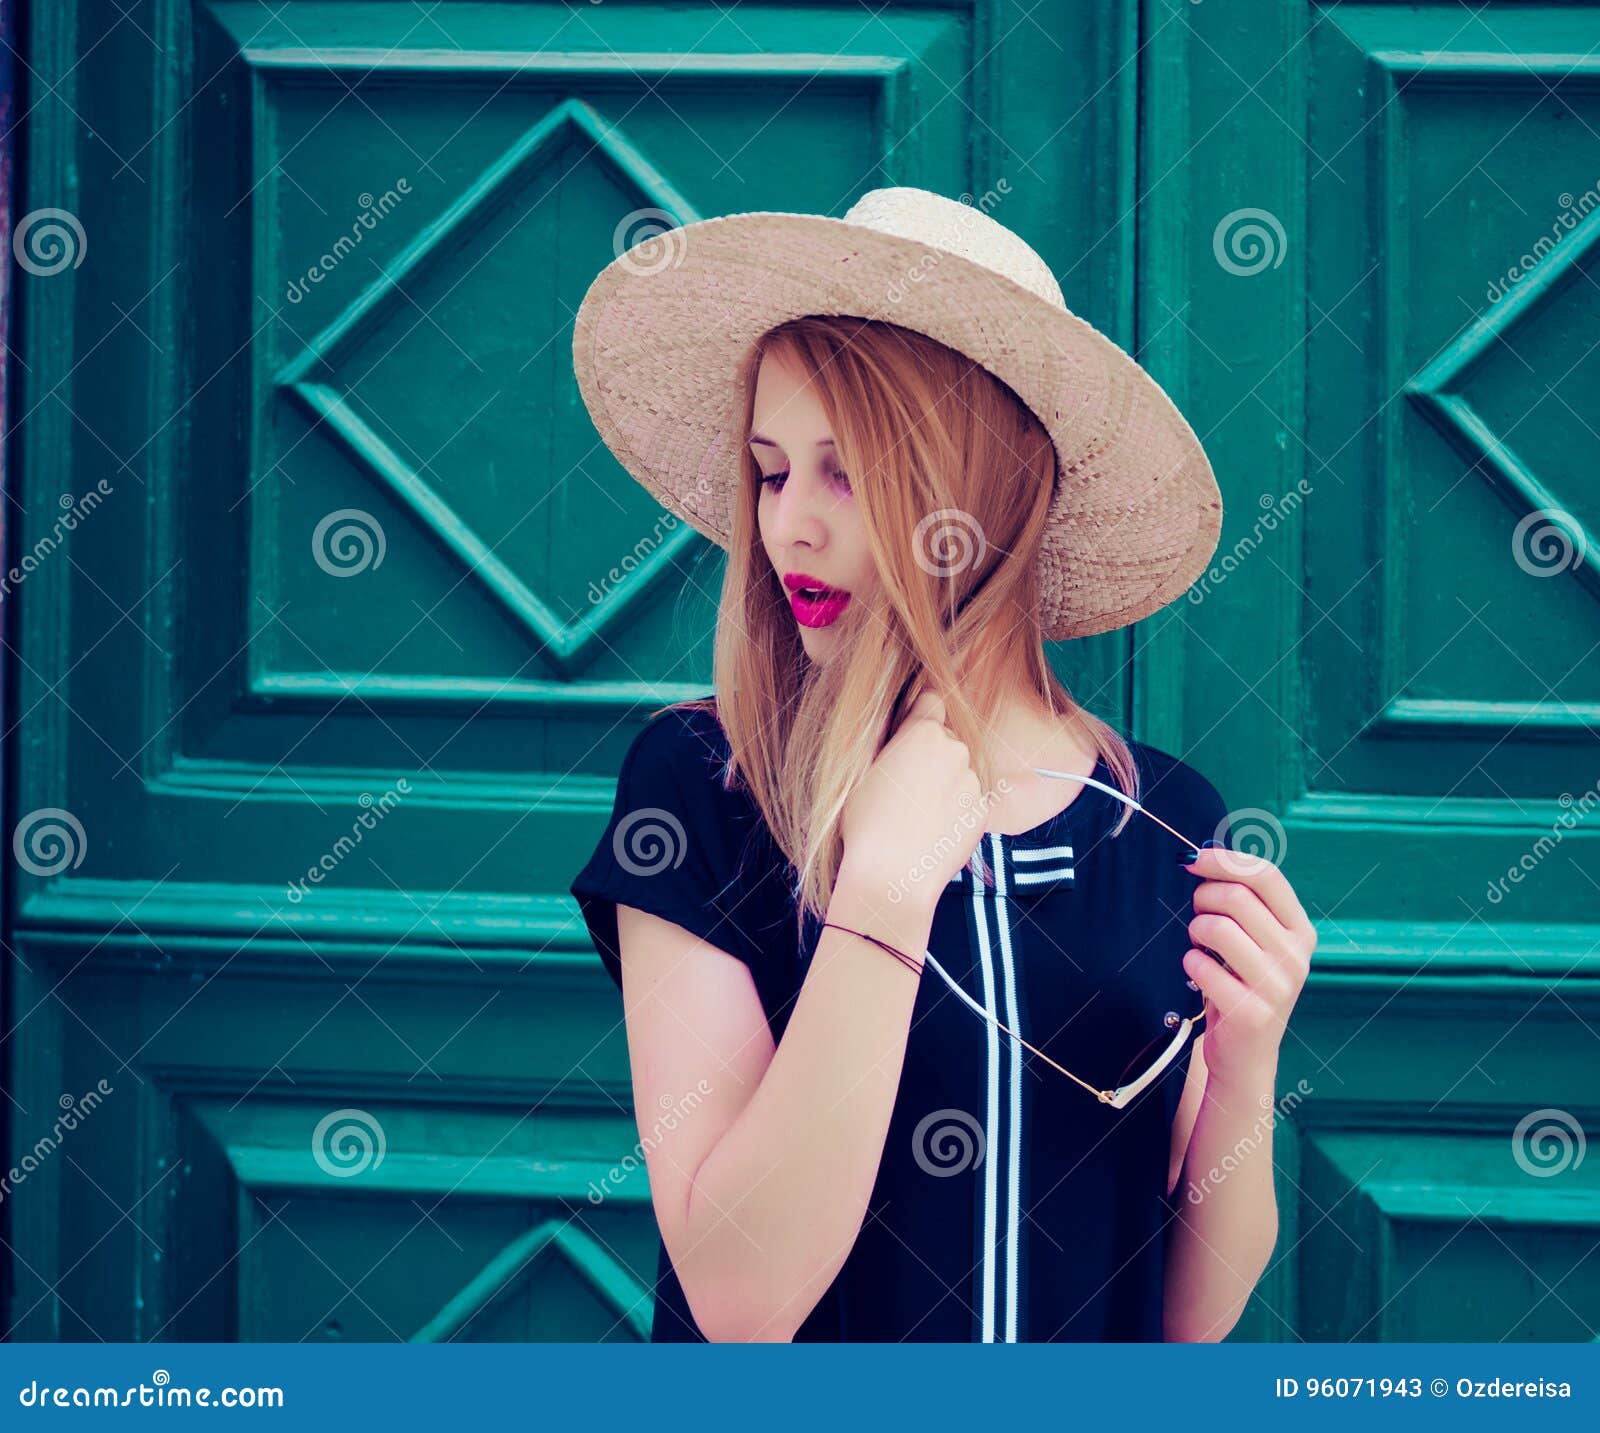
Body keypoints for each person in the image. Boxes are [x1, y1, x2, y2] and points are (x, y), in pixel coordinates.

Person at [568, 188, 1317, 1343]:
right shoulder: (705, 783)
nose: (789, 528)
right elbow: (739, 1296)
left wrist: (1247, 1066)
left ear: (983, 500)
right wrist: (881, 893)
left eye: (847, 472)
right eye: (772, 471)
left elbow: (1186, 1325)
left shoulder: (1161, 817)